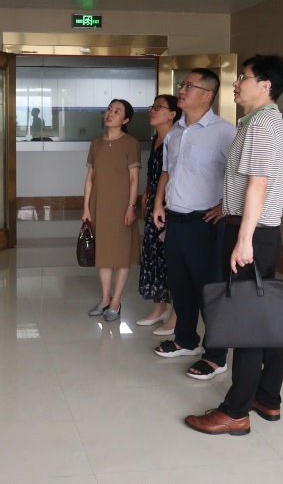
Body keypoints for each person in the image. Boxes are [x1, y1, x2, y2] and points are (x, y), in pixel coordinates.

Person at [185, 54, 283, 436]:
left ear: (265, 85)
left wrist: (243, 240)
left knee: (247, 322)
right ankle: (267, 397)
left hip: (252, 232)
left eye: (243, 77)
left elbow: (258, 184)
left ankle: (236, 412)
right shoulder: (260, 121)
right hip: (257, 231)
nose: (236, 83)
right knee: (262, 316)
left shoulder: (262, 124)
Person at [151, 70, 236, 380]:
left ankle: (216, 356)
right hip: (175, 220)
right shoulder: (175, 132)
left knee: (209, 290)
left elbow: (240, 174)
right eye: (182, 84)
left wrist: (226, 205)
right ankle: (186, 340)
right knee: (181, 285)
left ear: (207, 95)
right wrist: (158, 203)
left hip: (206, 223)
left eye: (189, 85)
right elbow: (167, 171)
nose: (182, 90)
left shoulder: (224, 132)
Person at [83, 99, 141, 321]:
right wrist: (86, 207)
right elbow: (90, 178)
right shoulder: (96, 143)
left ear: (125, 120)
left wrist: (131, 207)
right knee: (103, 253)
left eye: (117, 111)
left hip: (121, 206)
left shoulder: (130, 143)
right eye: (109, 109)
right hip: (99, 204)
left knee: (121, 255)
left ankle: (116, 301)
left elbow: (134, 178)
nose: (110, 113)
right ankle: (105, 299)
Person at [136, 94, 181, 333]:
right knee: (153, 255)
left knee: (170, 260)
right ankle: (159, 308)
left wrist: (160, 201)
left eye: (159, 107)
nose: (152, 110)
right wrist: (147, 196)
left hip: (170, 207)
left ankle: (176, 315)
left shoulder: (176, 139)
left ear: (173, 114)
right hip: (155, 204)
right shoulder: (157, 139)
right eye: (152, 106)